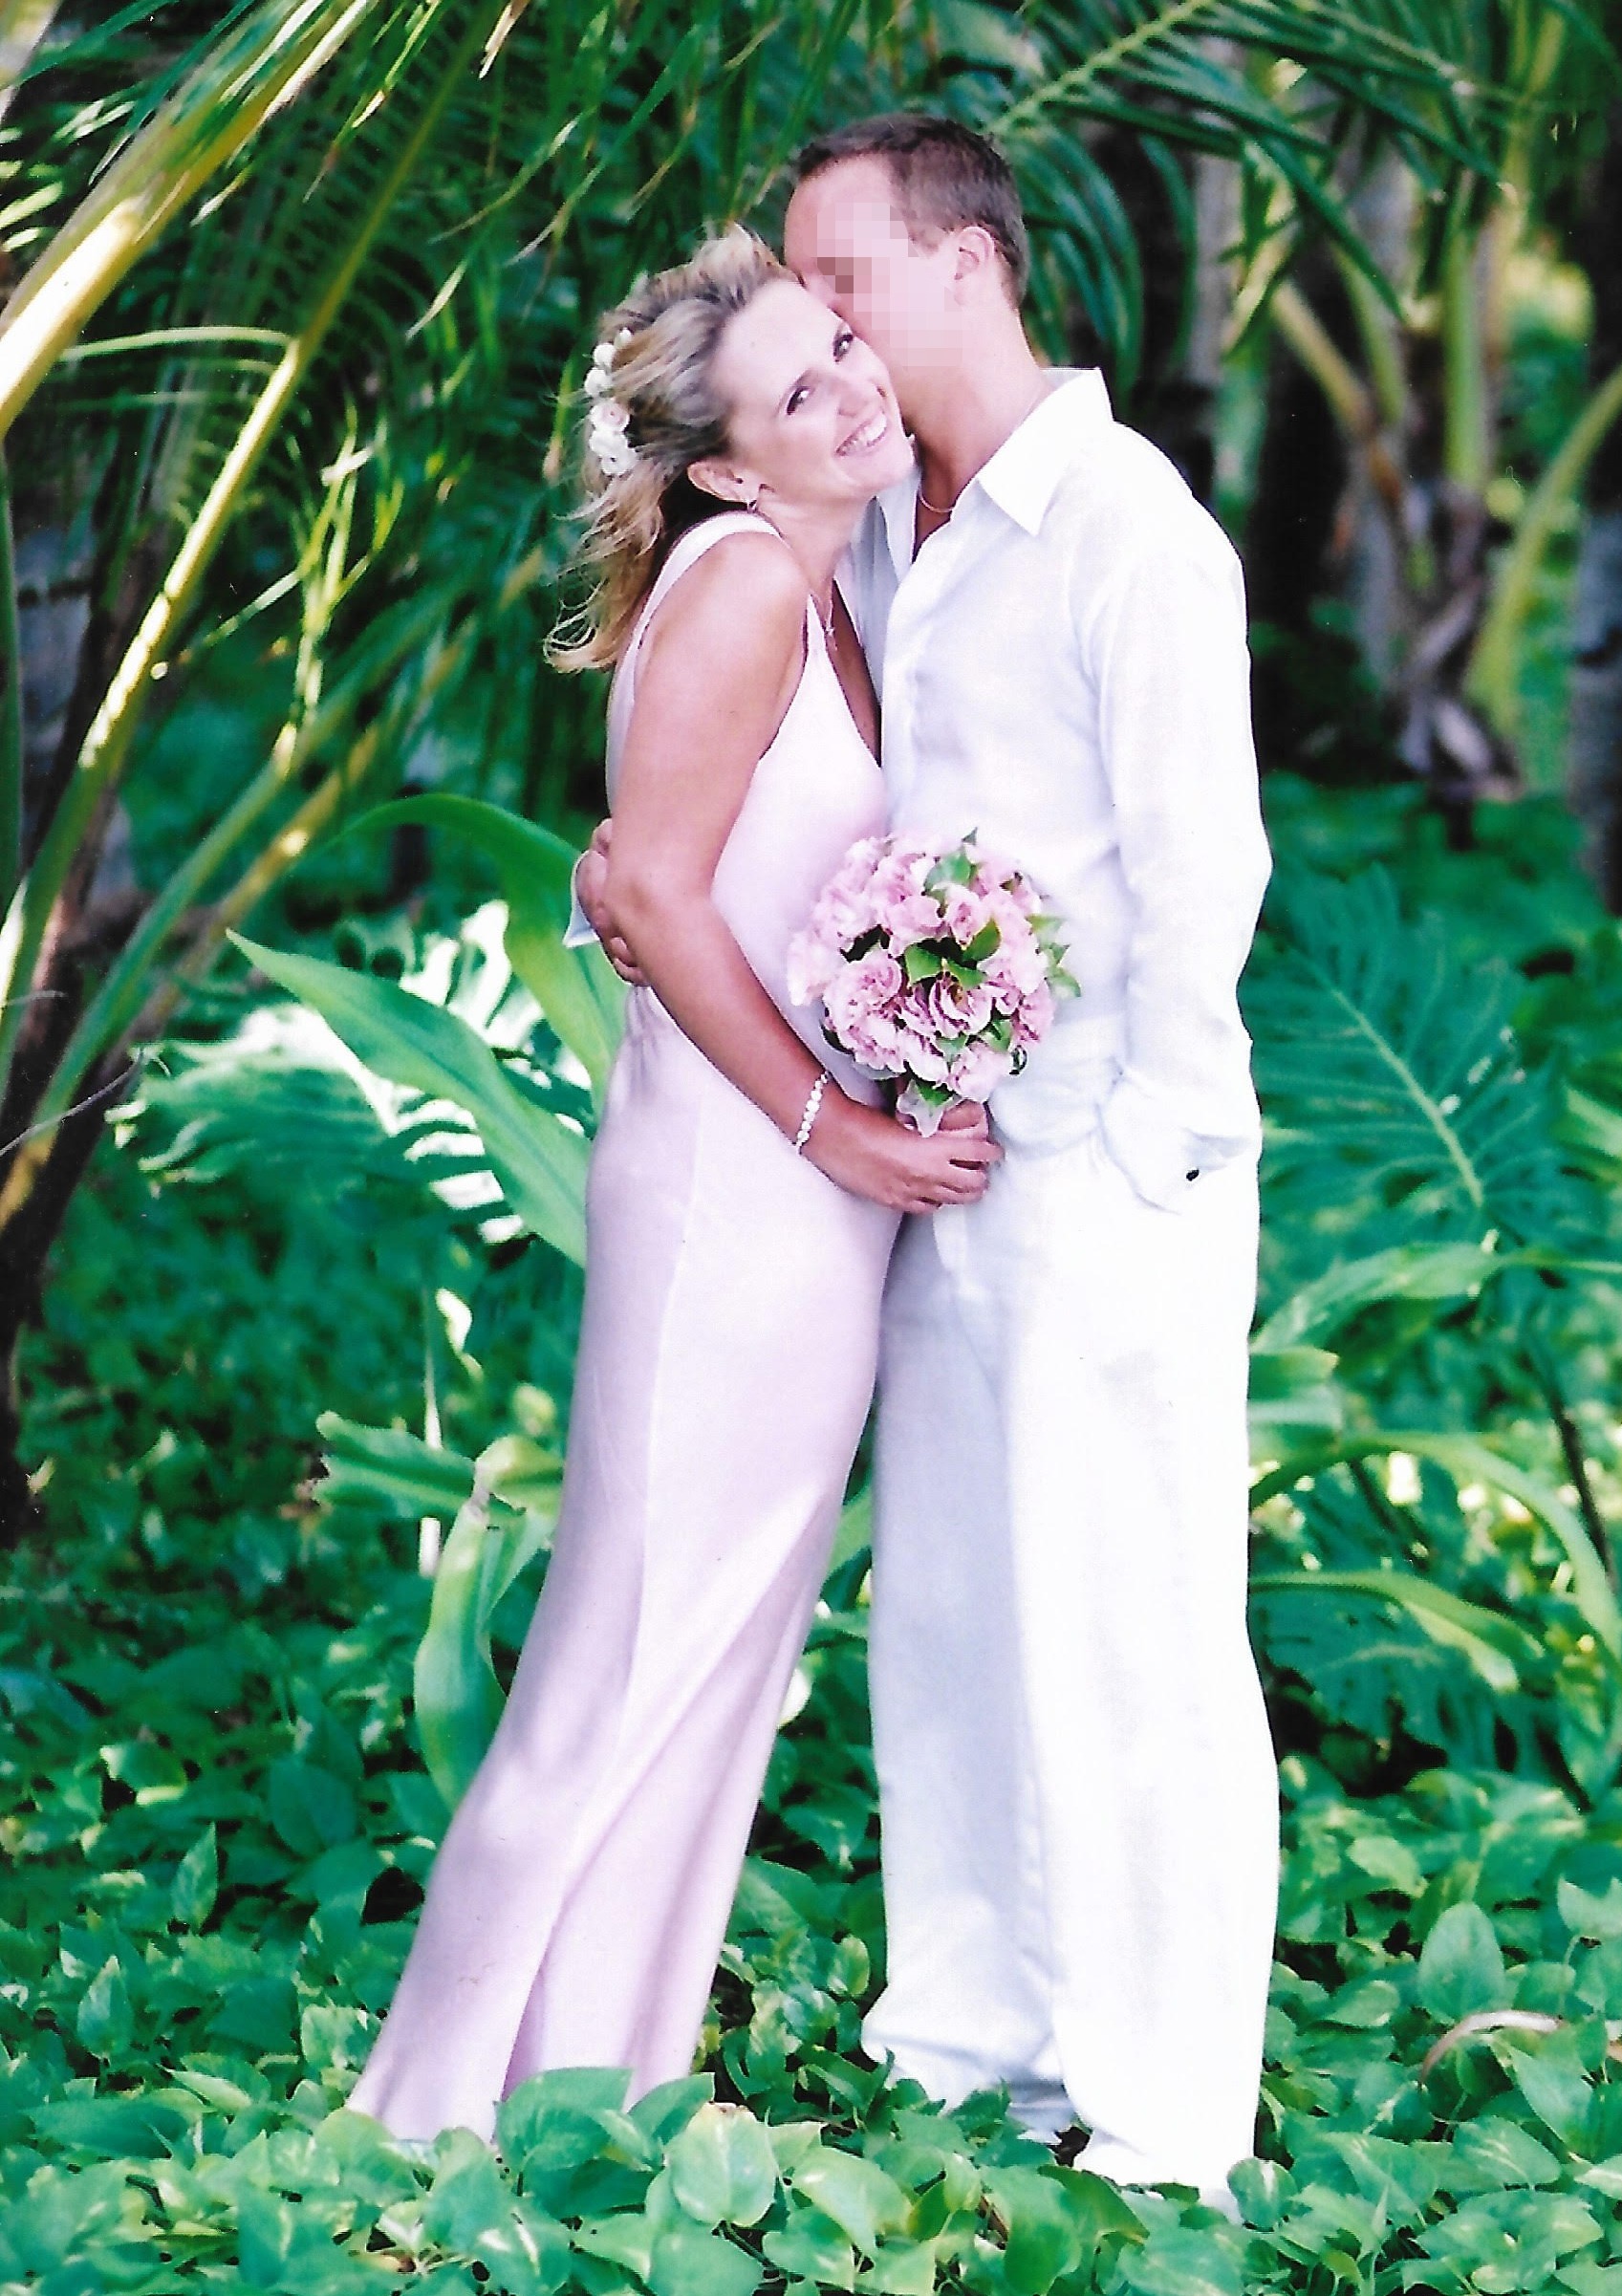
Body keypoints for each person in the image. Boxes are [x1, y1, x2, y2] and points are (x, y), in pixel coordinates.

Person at [585, 118, 1280, 2205]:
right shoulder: (889, 521)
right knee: (962, 1618)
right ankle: (980, 2038)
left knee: (1132, 1630)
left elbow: (1198, 867)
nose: (828, 331)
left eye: (843, 281)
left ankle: (1161, 2114)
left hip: (1105, 1170)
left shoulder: (1124, 528)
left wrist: (1147, 1148)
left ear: (964, 263)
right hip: (936, 1166)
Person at [349, 227, 1001, 2141]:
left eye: (844, 352)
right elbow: (643, 888)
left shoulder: (833, 576)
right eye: (799, 391)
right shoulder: (740, 591)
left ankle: (588, 2090)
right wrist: (846, 1127)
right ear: (720, 462)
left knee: (722, 1645)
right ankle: (425, 2114)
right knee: (625, 1646)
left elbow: (664, 868)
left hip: (798, 1199)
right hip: (738, 1190)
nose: (854, 391)